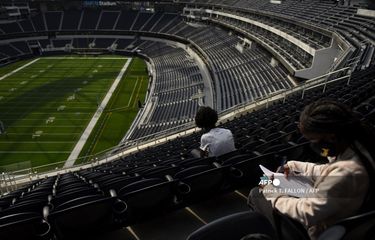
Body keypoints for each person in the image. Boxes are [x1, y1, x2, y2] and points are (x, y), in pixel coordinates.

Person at [248, 99, 375, 239]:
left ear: (331, 138)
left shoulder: (347, 172)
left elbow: (307, 213)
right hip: (341, 208)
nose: (312, 145)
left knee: (257, 194)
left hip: (323, 230)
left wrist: (270, 191)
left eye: (313, 140)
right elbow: (330, 169)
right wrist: (295, 166)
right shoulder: (357, 145)